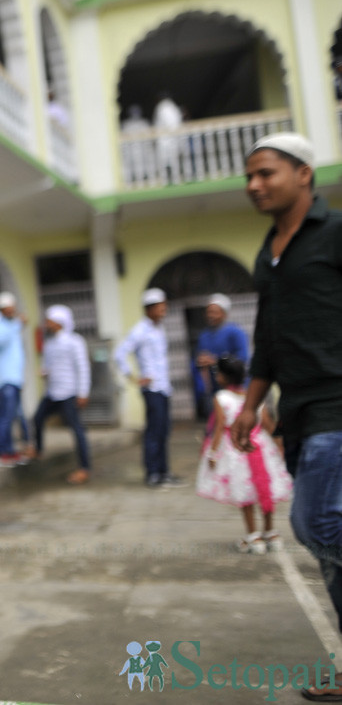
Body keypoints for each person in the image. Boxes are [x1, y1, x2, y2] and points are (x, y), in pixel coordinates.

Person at [228, 133, 342, 701]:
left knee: (313, 525)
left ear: (304, 174)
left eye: (266, 173)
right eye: (249, 176)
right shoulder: (268, 252)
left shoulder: (337, 232)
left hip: (338, 404)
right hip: (295, 410)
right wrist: (251, 403)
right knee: (332, 558)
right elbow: (267, 339)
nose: (254, 185)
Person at [196, 356, 291, 553]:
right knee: (265, 489)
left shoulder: (221, 398)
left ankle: (253, 537)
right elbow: (267, 424)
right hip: (260, 447)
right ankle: (271, 532)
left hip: (236, 449)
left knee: (245, 493)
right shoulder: (254, 397)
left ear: (222, 377)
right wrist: (279, 445)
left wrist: (212, 453)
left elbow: (220, 427)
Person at [115, 288, 183, 488]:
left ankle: (164, 471)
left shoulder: (158, 329)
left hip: (163, 387)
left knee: (163, 430)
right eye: (161, 307)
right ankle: (152, 473)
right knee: (154, 431)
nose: (164, 310)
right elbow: (120, 354)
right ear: (150, 308)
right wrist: (133, 377)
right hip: (151, 388)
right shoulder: (140, 330)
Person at [32, 306, 92, 484]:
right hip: (53, 393)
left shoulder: (74, 341)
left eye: (49, 321)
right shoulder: (50, 344)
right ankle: (39, 449)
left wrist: (83, 393)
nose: (46, 324)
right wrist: (45, 373)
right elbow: (49, 367)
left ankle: (84, 469)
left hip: (70, 393)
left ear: (58, 322)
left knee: (77, 430)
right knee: (37, 418)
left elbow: (83, 367)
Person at [191, 293, 249, 423]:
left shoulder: (235, 332)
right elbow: (197, 360)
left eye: (215, 312)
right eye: (209, 312)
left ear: (224, 313)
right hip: (214, 387)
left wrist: (216, 360)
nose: (211, 315)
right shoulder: (204, 335)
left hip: (235, 387)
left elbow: (242, 357)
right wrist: (200, 362)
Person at [0, 292, 28, 467]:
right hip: (4, 380)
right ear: (3, 309)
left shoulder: (11, 325)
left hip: (15, 378)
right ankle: (1, 452)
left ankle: (10, 450)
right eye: (9, 307)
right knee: (5, 416)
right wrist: (17, 325)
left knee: (12, 416)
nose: (13, 310)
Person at [153, 91, 183, 184]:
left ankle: (166, 180)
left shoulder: (163, 107)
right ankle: (174, 179)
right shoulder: (173, 107)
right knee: (173, 162)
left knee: (165, 162)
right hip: (172, 138)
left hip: (166, 139)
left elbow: (171, 125)